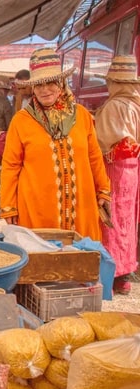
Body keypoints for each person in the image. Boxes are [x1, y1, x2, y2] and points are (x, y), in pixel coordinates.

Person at [0, 48, 111, 240]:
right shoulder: (21, 120)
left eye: (50, 82)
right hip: (37, 209)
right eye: (38, 84)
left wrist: (103, 189)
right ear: (32, 87)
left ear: (61, 83)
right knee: (43, 262)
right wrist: (9, 207)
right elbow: (11, 165)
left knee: (80, 262)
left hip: (82, 207)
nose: (44, 90)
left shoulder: (82, 115)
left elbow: (94, 156)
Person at [95, 55, 140, 295]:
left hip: (113, 169)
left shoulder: (115, 106)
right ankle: (125, 275)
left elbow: (101, 140)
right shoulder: (137, 104)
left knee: (110, 220)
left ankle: (112, 275)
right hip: (132, 170)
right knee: (126, 222)